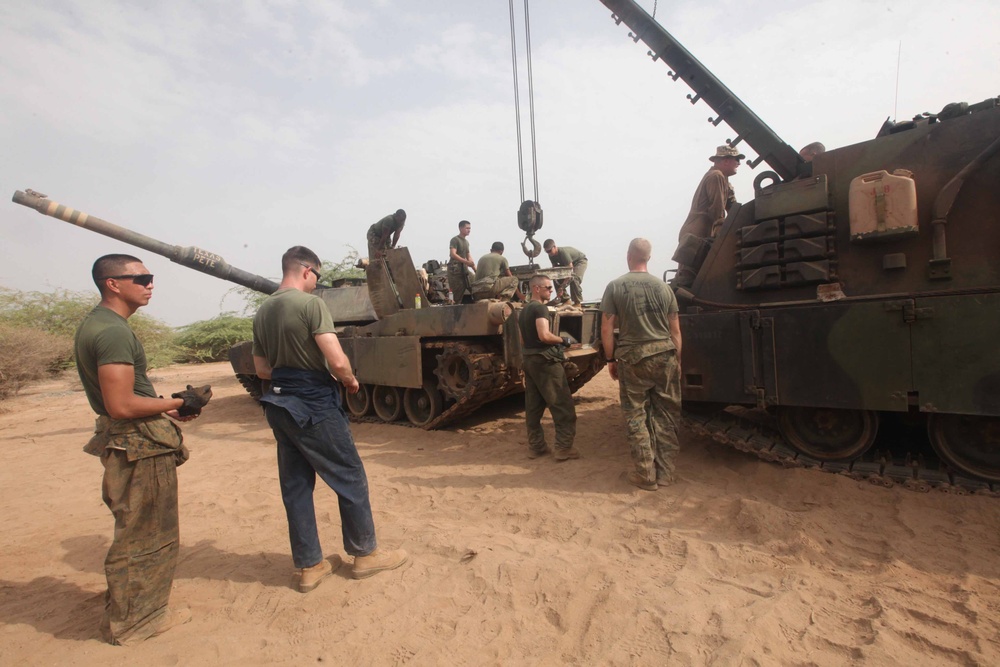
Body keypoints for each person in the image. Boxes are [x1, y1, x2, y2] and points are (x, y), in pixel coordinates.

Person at [75, 254, 213, 645]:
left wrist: (173, 407)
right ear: (112, 284)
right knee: (148, 536)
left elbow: (128, 398)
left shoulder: (99, 324)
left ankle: (126, 610)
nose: (150, 284)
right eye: (141, 278)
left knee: (135, 531)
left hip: (131, 440)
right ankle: (138, 622)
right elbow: (121, 404)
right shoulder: (113, 332)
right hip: (138, 448)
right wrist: (175, 403)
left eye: (151, 277)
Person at [252, 246, 408, 593]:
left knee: (295, 487)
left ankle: (310, 565)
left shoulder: (262, 311)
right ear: (307, 270)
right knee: (349, 475)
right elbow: (336, 360)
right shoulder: (311, 305)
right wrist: (351, 381)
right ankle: (365, 555)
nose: (317, 284)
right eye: (317, 278)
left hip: (279, 403)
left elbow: (262, 368)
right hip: (313, 403)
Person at [600, 238, 683, 491]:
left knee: (636, 416)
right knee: (667, 416)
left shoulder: (615, 286)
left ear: (629, 256)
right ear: (648, 258)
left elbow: (607, 327)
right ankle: (666, 474)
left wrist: (610, 359)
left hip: (632, 359)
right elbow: (676, 331)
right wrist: (676, 361)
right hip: (664, 355)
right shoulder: (664, 288)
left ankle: (646, 474)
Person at [518, 274, 579, 461]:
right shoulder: (539, 308)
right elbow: (544, 335)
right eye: (548, 288)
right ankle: (563, 448)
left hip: (529, 360)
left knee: (533, 407)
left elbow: (522, 340)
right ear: (536, 288)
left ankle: (536, 447)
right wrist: (564, 340)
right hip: (546, 362)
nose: (551, 291)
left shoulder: (525, 310)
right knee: (563, 406)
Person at [674, 145, 743, 285]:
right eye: (736, 159)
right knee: (687, 279)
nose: (739, 163)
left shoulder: (724, 180)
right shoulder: (716, 176)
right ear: (725, 161)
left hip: (701, 231)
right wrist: (722, 235)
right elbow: (717, 210)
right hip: (698, 234)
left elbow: (734, 209)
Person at [542, 240, 587, 306]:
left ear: (554, 247)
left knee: (574, 278)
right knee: (556, 277)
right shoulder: (551, 255)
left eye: (549, 251)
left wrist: (562, 286)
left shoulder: (563, 253)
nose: (548, 253)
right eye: (546, 251)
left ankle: (577, 302)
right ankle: (565, 300)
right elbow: (555, 269)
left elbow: (569, 272)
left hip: (579, 262)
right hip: (567, 265)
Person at [447, 220, 475, 303]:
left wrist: (475, 268)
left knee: (475, 286)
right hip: (455, 270)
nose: (469, 230)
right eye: (467, 228)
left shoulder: (466, 242)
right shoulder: (455, 240)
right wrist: (466, 262)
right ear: (460, 228)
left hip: (464, 269)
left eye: (470, 228)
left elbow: (468, 256)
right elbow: (453, 254)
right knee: (456, 295)